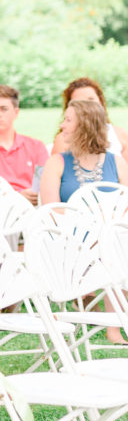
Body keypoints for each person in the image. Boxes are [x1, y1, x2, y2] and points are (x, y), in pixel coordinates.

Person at [41, 99, 128, 343]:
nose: (63, 126)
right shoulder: (57, 162)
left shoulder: (116, 162)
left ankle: (114, 328)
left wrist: (105, 223)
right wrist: (90, 223)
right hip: (68, 239)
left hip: (111, 240)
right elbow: (51, 211)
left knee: (118, 241)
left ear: (86, 126)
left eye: (69, 120)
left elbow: (126, 205)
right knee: (117, 247)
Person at [51, 78, 128, 162]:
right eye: (79, 102)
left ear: (101, 102)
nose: (86, 106)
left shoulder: (120, 135)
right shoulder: (63, 139)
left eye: (91, 100)